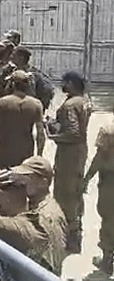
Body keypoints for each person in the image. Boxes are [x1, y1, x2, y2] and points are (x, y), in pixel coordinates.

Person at [0, 157, 67, 276]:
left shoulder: (41, 217)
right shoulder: (48, 205)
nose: (21, 181)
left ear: (43, 183)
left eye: (28, 178)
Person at [49, 71, 92, 254]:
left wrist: (53, 135)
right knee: (76, 193)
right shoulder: (85, 101)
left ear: (72, 84)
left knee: (65, 194)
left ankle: (70, 240)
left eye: (65, 82)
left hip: (69, 155)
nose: (63, 85)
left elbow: (74, 133)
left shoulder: (70, 105)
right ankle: (75, 235)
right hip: (80, 153)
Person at [0, 70, 45, 168]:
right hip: (26, 151)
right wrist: (39, 155)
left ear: (12, 84)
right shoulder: (36, 104)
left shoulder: (2, 103)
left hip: (4, 151)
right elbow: (40, 133)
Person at [82, 113, 114, 275]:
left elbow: (99, 158)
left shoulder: (108, 130)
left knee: (109, 218)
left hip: (110, 182)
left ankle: (108, 259)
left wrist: (87, 178)